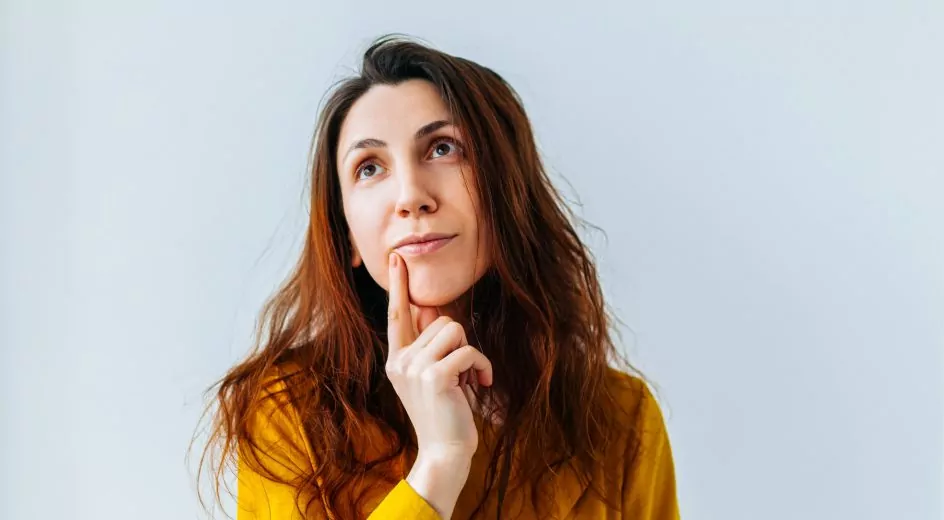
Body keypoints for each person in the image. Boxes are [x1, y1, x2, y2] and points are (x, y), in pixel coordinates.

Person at [198, 35, 680, 520]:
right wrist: (439, 465)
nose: (410, 195)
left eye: (442, 148)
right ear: (346, 237)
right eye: (369, 168)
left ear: (508, 190)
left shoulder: (621, 418)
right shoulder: (287, 412)